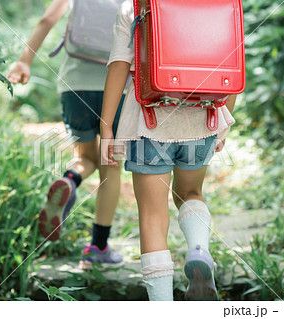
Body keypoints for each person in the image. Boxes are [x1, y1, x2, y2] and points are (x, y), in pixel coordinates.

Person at [101, 1, 237, 300]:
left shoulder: (134, 6)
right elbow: (233, 64)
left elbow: (120, 65)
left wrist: (107, 126)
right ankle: (199, 249)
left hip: (148, 121)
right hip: (203, 115)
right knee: (189, 193)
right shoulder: (219, 3)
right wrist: (223, 119)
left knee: (152, 215)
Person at [7, 0, 124, 269]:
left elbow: (46, 20)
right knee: (111, 164)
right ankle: (98, 246)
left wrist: (24, 60)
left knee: (86, 157)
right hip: (119, 86)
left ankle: (70, 180)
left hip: (75, 84)